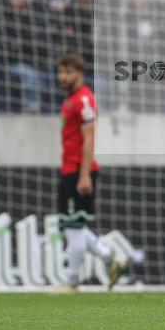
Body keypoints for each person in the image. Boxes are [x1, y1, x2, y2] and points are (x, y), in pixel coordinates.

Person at [55, 52, 122, 291]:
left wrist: (83, 175)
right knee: (75, 227)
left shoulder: (84, 100)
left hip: (78, 171)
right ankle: (109, 258)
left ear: (79, 74)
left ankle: (71, 282)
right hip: (69, 169)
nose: (62, 77)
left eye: (68, 72)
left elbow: (89, 139)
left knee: (74, 228)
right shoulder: (70, 100)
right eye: (60, 72)